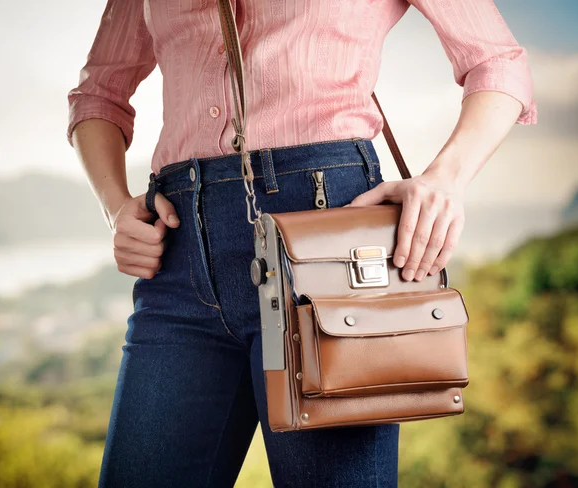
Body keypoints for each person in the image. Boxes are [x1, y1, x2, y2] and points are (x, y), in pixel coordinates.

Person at [67, 0, 536, 486]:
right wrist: (116, 206)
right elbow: (99, 93)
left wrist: (445, 179)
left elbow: (499, 62)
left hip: (327, 242)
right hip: (179, 253)